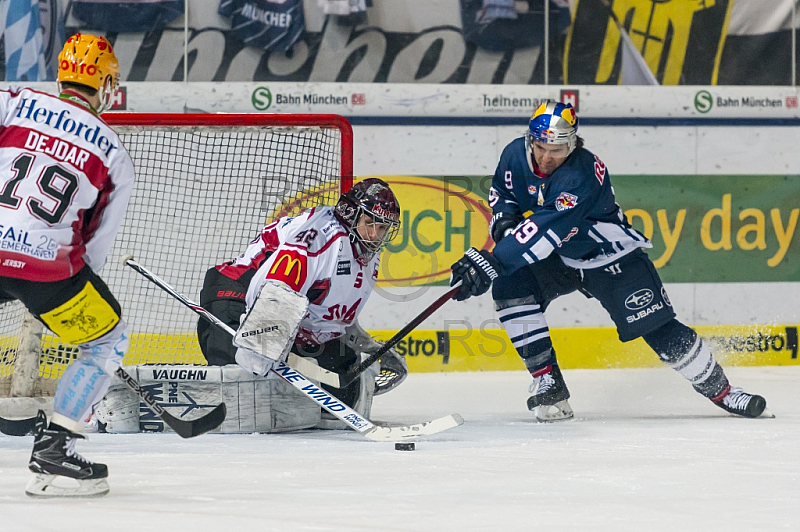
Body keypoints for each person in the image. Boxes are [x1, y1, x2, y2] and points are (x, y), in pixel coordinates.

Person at [449, 101, 769, 421]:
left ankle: (725, 393)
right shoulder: (514, 154)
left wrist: (493, 259)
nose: (547, 157)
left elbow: (545, 229)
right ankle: (548, 382)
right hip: (560, 256)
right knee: (509, 287)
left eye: (558, 149)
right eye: (541, 146)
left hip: (608, 255)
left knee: (660, 331)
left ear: (573, 145)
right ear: (530, 139)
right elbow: (504, 197)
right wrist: (504, 229)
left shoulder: (580, 173)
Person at [0, 33, 134, 497]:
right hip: (47, 269)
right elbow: (94, 246)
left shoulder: (14, 102)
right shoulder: (113, 152)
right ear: (108, 82)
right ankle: (56, 450)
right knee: (108, 340)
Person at [197, 178, 408, 428]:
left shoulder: (367, 252)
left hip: (288, 316)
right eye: (370, 224)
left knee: (345, 386)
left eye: (382, 228)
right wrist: (262, 342)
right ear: (351, 214)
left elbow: (332, 316)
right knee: (244, 388)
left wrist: (364, 344)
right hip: (235, 297)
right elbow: (272, 287)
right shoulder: (320, 237)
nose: (375, 234)